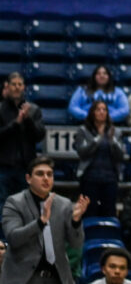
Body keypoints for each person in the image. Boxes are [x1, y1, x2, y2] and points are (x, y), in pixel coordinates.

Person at [0, 156, 88, 284]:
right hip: (24, 278)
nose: (46, 178)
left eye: (49, 174)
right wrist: (40, 222)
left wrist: (76, 222)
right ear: (28, 179)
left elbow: (76, 244)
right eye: (40, 174)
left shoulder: (64, 204)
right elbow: (14, 238)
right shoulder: (14, 203)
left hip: (57, 277)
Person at [0, 73, 45, 207]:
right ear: (7, 87)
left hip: (26, 167)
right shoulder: (0, 109)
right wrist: (16, 123)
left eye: (20, 84)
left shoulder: (33, 110)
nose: (17, 87)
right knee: (3, 206)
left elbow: (39, 135)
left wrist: (28, 120)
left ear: (24, 87)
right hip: (3, 167)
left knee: (25, 206)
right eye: (14, 84)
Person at [74, 100, 125, 217]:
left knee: (109, 211)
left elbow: (120, 155)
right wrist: (98, 138)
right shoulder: (83, 130)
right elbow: (82, 152)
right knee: (90, 211)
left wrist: (112, 141)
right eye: (98, 109)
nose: (102, 112)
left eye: (104, 109)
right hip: (90, 178)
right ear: (92, 112)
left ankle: (109, 235)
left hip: (110, 178)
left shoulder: (115, 132)